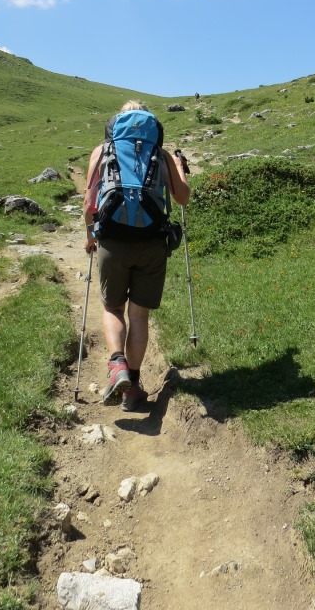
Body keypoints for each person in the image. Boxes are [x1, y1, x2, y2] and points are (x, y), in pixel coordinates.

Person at [84, 101, 190, 411]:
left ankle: (117, 365)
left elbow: (89, 203)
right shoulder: (162, 154)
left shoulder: (102, 151)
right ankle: (132, 388)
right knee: (139, 315)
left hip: (112, 240)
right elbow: (182, 198)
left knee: (113, 308)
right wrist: (179, 168)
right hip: (151, 242)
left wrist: (90, 237)